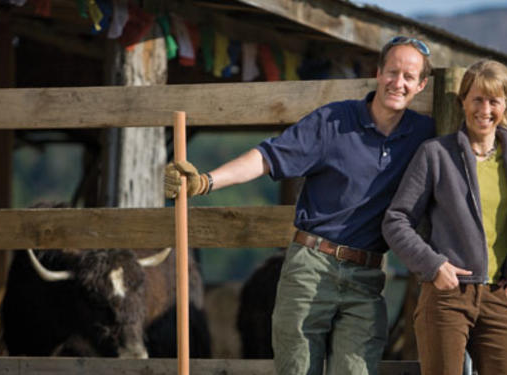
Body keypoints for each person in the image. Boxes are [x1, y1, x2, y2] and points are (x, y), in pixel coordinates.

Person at [165, 36, 435, 375]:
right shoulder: (333, 121)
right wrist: (205, 181)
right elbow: (267, 157)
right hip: (311, 267)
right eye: (392, 72)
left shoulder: (425, 135)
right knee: (297, 370)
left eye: (409, 77)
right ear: (378, 73)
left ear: (421, 85)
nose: (399, 82)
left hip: (367, 276)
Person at [382, 59, 507, 375]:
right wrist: (433, 266)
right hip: (446, 295)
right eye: (477, 99)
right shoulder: (435, 154)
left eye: (494, 100)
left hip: (500, 295)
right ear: (462, 101)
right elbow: (396, 220)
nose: (484, 109)